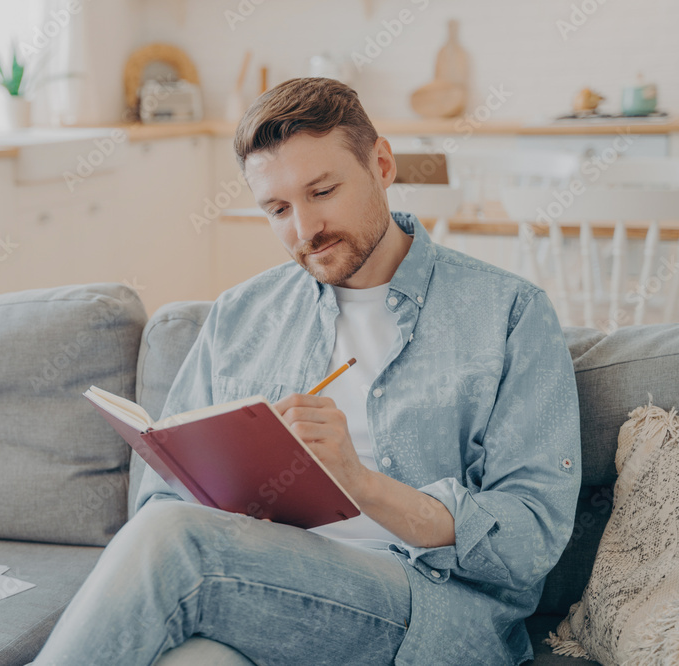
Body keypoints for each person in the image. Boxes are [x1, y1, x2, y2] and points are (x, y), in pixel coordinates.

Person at [32, 77, 581, 666]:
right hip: (268, 596)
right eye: (278, 208)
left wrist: (360, 482)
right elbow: (162, 505)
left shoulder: (509, 313)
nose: (305, 229)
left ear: (383, 164)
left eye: (322, 191)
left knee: (177, 544)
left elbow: (531, 536)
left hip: (430, 612)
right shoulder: (240, 315)